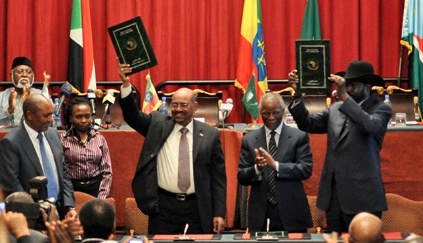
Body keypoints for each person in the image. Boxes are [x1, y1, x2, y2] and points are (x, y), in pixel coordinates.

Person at [117, 59, 226, 234]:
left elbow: (218, 178)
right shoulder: (157, 124)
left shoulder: (210, 135)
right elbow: (132, 116)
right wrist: (126, 84)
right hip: (163, 208)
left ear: (195, 107)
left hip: (197, 208)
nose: (178, 109)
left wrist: (219, 213)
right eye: (174, 104)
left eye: (183, 105)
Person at [288, 61, 392, 233]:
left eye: (352, 86)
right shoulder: (335, 108)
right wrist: (298, 96)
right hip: (334, 196)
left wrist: (344, 96)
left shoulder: (381, 109)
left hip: (364, 196)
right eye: (345, 85)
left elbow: (371, 126)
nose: (348, 89)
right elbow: (308, 124)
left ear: (368, 86)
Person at [238, 92, 313, 233]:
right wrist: (257, 169)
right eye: (266, 113)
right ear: (260, 112)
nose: (271, 117)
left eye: (276, 113)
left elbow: (306, 169)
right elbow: (242, 176)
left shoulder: (299, 136)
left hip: (292, 210)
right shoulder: (249, 140)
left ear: (283, 111)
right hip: (260, 213)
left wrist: (276, 166)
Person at [0, 93, 76, 218]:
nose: (51, 119)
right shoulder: (11, 143)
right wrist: (36, 213)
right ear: (29, 115)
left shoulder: (53, 134)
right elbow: (12, 185)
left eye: (51, 114)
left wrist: (69, 206)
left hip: (60, 213)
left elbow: (63, 174)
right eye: (46, 115)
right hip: (31, 217)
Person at [61, 97, 113, 198]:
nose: (84, 120)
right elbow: (61, 172)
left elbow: (107, 171)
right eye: (79, 117)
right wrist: (67, 197)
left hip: (96, 189)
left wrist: (101, 198)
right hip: (72, 189)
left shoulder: (99, 138)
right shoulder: (63, 139)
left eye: (87, 116)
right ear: (71, 118)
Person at [0, 57, 41, 127]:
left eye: (28, 72)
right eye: (19, 72)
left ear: (33, 76)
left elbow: (49, 125)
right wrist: (9, 110)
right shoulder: (1, 97)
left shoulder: (42, 96)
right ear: (11, 75)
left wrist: (29, 106)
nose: (24, 75)